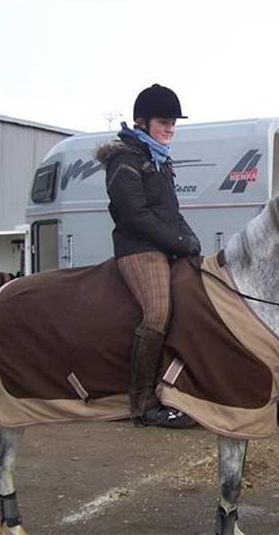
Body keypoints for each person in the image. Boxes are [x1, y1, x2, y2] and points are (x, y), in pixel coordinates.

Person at [96, 83, 201, 429]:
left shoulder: (160, 159)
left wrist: (192, 240)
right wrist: (177, 242)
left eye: (173, 121)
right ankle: (142, 402)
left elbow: (171, 211)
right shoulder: (125, 159)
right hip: (138, 250)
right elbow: (135, 216)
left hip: (164, 246)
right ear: (142, 122)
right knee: (157, 312)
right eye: (163, 121)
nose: (170, 127)